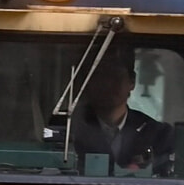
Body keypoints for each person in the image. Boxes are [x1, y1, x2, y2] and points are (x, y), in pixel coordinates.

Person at [72, 42, 176, 177]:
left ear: (132, 82)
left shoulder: (159, 134)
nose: (107, 84)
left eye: (115, 76)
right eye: (100, 76)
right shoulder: (69, 128)